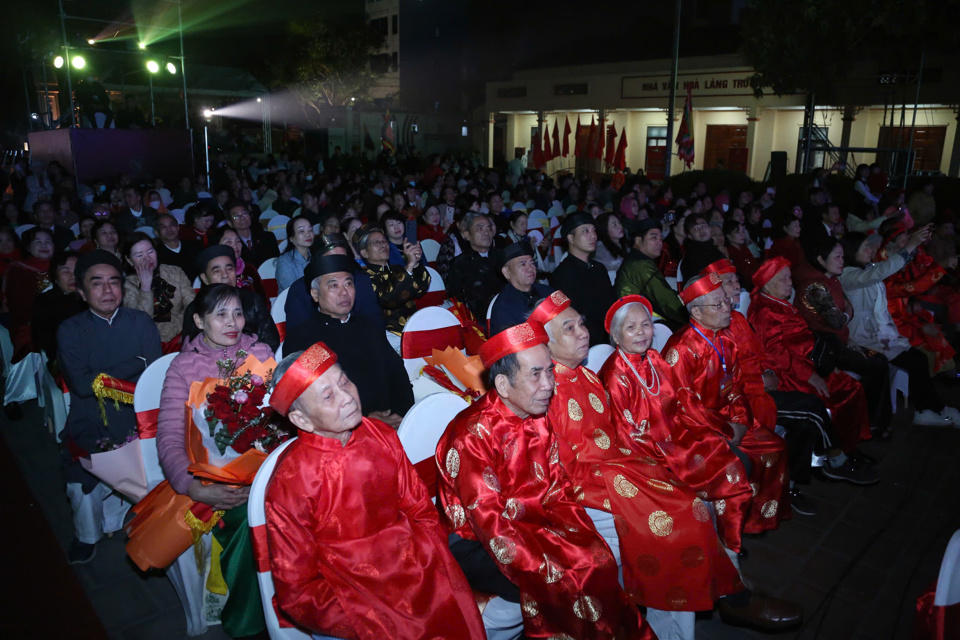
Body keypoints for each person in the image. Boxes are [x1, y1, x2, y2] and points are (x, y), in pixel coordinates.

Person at [535, 292, 758, 639]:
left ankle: (682, 615)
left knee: (690, 502)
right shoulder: (546, 390)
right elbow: (562, 468)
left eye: (581, 323)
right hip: (584, 487)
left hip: (616, 467)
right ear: (546, 342)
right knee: (677, 520)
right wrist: (631, 474)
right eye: (569, 328)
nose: (582, 332)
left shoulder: (586, 376)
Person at [598, 293, 804, 633]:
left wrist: (721, 429)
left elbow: (683, 403)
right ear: (616, 336)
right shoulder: (615, 374)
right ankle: (730, 585)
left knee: (731, 466)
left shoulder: (653, 360)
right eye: (630, 327)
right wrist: (673, 454)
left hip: (677, 439)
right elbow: (629, 436)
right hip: (649, 456)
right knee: (706, 491)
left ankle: (731, 562)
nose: (641, 332)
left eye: (646, 324)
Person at [435, 322, 655, 639]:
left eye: (550, 371)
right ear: (503, 384)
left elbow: (557, 489)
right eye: (535, 375)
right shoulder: (472, 435)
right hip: (472, 541)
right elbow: (488, 520)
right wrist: (542, 566)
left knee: (597, 558)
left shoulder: (537, 417)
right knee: (561, 579)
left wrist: (583, 540)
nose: (549, 384)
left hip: (530, 521)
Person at [263, 344, 487, 639]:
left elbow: (421, 509)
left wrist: (428, 565)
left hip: (416, 569)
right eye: (329, 396)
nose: (347, 398)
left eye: (344, 381)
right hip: (352, 596)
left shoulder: (379, 434)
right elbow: (298, 590)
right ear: (301, 420)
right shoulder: (290, 483)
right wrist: (366, 618)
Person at [157, 283, 273, 637]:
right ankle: (248, 624)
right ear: (198, 320)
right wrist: (192, 487)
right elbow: (170, 438)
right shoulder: (183, 367)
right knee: (246, 522)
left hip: (268, 467)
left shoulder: (262, 352)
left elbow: (283, 411)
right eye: (220, 314)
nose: (232, 322)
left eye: (237, 313)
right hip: (218, 478)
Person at [663, 274, 791, 534]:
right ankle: (728, 536)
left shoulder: (725, 340)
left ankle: (756, 522)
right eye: (718, 305)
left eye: (725, 302)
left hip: (728, 419)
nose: (727, 309)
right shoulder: (681, 351)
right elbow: (685, 408)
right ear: (696, 312)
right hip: (693, 431)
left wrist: (741, 421)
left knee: (775, 448)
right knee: (736, 469)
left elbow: (736, 387)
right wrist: (728, 430)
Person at [58, 250, 162, 563]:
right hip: (92, 418)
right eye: (97, 283)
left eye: (114, 282)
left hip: (138, 416)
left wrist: (107, 376)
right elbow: (81, 384)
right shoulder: (70, 330)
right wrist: (134, 366)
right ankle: (87, 536)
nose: (107, 290)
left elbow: (154, 373)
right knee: (82, 475)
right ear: (80, 291)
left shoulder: (140, 321)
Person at [748, 257, 878, 461]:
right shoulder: (764, 311)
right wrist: (811, 375)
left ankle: (850, 446)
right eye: (782, 279)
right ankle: (837, 455)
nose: (789, 282)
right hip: (790, 374)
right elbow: (775, 354)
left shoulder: (778, 303)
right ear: (767, 283)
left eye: (789, 278)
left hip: (810, 363)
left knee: (853, 387)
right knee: (837, 398)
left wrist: (825, 365)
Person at [838, 231, 958, 426]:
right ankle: (930, 410)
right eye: (866, 247)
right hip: (860, 340)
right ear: (853, 251)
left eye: (871, 245)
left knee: (918, 358)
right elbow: (883, 273)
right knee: (914, 359)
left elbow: (889, 273)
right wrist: (911, 245)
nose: (871, 250)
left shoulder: (867, 267)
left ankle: (929, 409)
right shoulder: (848, 275)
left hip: (878, 334)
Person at [284, 254, 413, 427]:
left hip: (393, 423)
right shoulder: (303, 338)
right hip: (342, 432)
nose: (344, 292)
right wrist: (364, 421)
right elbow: (310, 402)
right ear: (315, 294)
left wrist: (403, 417)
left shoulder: (370, 327)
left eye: (348, 283)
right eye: (333, 285)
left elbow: (398, 377)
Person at [797, 237, 893, 438]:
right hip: (827, 349)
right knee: (876, 365)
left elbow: (844, 314)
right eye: (837, 256)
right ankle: (868, 423)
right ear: (821, 259)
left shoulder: (832, 280)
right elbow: (838, 321)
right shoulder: (814, 286)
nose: (842, 260)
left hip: (840, 341)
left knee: (880, 360)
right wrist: (848, 313)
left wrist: (847, 313)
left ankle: (874, 420)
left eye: (842, 256)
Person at [181, 245, 280, 352]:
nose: (225, 275)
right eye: (217, 271)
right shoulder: (195, 308)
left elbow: (271, 343)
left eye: (229, 268)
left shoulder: (252, 301)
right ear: (205, 278)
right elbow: (191, 349)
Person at [550, 211, 617, 345]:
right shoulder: (561, 275)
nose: (593, 235)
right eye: (585, 231)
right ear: (571, 238)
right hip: (584, 342)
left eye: (593, 230)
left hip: (610, 338)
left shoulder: (599, 268)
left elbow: (612, 306)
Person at [121, 232, 195, 350]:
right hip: (149, 344)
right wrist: (145, 287)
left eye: (150, 252)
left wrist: (187, 333)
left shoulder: (175, 272)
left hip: (183, 337)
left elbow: (192, 305)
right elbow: (140, 322)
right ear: (129, 260)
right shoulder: (127, 285)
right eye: (139, 255)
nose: (147, 258)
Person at [354, 224, 430, 338]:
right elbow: (389, 299)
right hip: (388, 335)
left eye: (384, 241)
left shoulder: (398, 269)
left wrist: (416, 263)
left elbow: (421, 287)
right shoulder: (363, 278)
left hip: (413, 328)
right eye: (376, 242)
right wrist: (409, 266)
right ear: (364, 252)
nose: (383, 245)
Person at [615, 219, 686, 330]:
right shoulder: (640, 264)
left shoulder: (636, 260)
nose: (660, 242)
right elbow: (666, 300)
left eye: (661, 238)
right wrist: (692, 314)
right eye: (653, 238)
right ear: (638, 241)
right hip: (635, 324)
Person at [4, 228, 55, 363]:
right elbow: (18, 307)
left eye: (48, 242)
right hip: (31, 326)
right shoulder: (19, 269)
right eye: (38, 242)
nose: (44, 245)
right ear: (28, 247)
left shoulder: (63, 267)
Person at [32, 251, 87, 367]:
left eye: (77, 270)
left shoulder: (93, 297)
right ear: (56, 278)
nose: (73, 276)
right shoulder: (45, 302)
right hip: (66, 361)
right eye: (66, 271)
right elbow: (45, 340)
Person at [447, 212, 503, 322]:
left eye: (488, 228)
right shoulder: (459, 263)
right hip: (476, 322)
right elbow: (456, 299)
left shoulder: (503, 257)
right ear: (467, 235)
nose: (486, 232)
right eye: (480, 228)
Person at [489, 242, 553, 334]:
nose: (530, 268)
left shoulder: (549, 292)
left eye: (532, 263)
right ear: (506, 272)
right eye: (523, 264)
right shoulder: (503, 308)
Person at [226, 201, 280, 268]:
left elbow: (277, 262)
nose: (242, 217)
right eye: (236, 216)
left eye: (244, 213)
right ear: (230, 223)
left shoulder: (268, 237)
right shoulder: (231, 245)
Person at [676, 214, 724, 283]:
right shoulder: (692, 255)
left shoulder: (714, 249)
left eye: (703, 226)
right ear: (690, 236)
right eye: (695, 229)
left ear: (710, 228)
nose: (701, 230)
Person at [154, 213, 200, 281]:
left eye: (171, 225)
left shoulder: (194, 246)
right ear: (157, 233)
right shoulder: (156, 255)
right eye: (163, 227)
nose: (169, 229)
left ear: (178, 228)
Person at [276, 215, 314, 291]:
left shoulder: (316, 257)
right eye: (301, 231)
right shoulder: (284, 262)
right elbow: (295, 292)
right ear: (291, 238)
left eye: (310, 230)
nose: (308, 234)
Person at [724, 219, 758, 289]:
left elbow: (750, 263)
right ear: (728, 236)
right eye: (737, 232)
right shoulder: (729, 252)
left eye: (742, 231)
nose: (742, 234)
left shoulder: (744, 248)